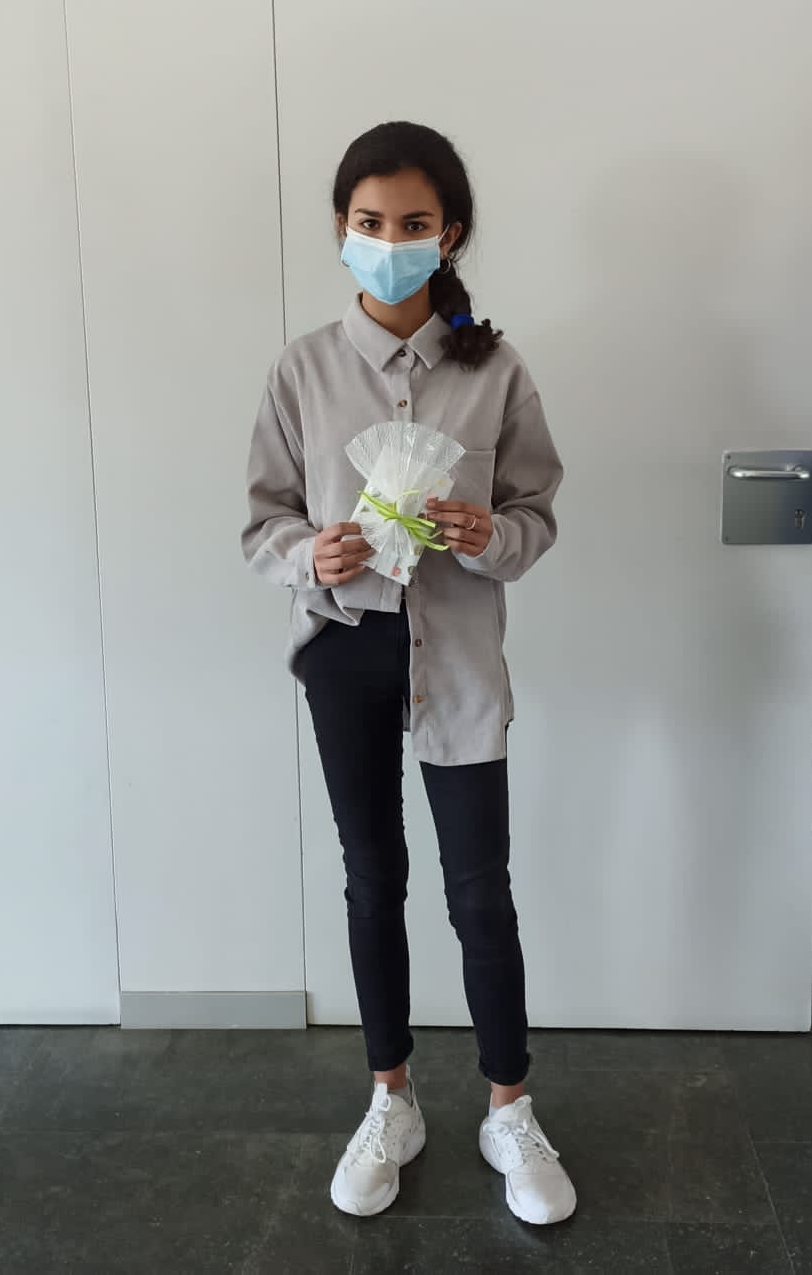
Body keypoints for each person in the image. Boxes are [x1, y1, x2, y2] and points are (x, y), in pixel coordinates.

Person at [243, 121, 576, 1225]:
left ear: (452, 234)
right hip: (344, 648)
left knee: (480, 890)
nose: (391, 244)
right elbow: (261, 523)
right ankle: (390, 1097)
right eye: (370, 223)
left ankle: (509, 1108)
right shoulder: (301, 369)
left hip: (459, 653)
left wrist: (487, 534)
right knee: (369, 876)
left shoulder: (496, 369)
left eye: (414, 224)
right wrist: (312, 553)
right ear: (342, 230)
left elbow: (535, 516)